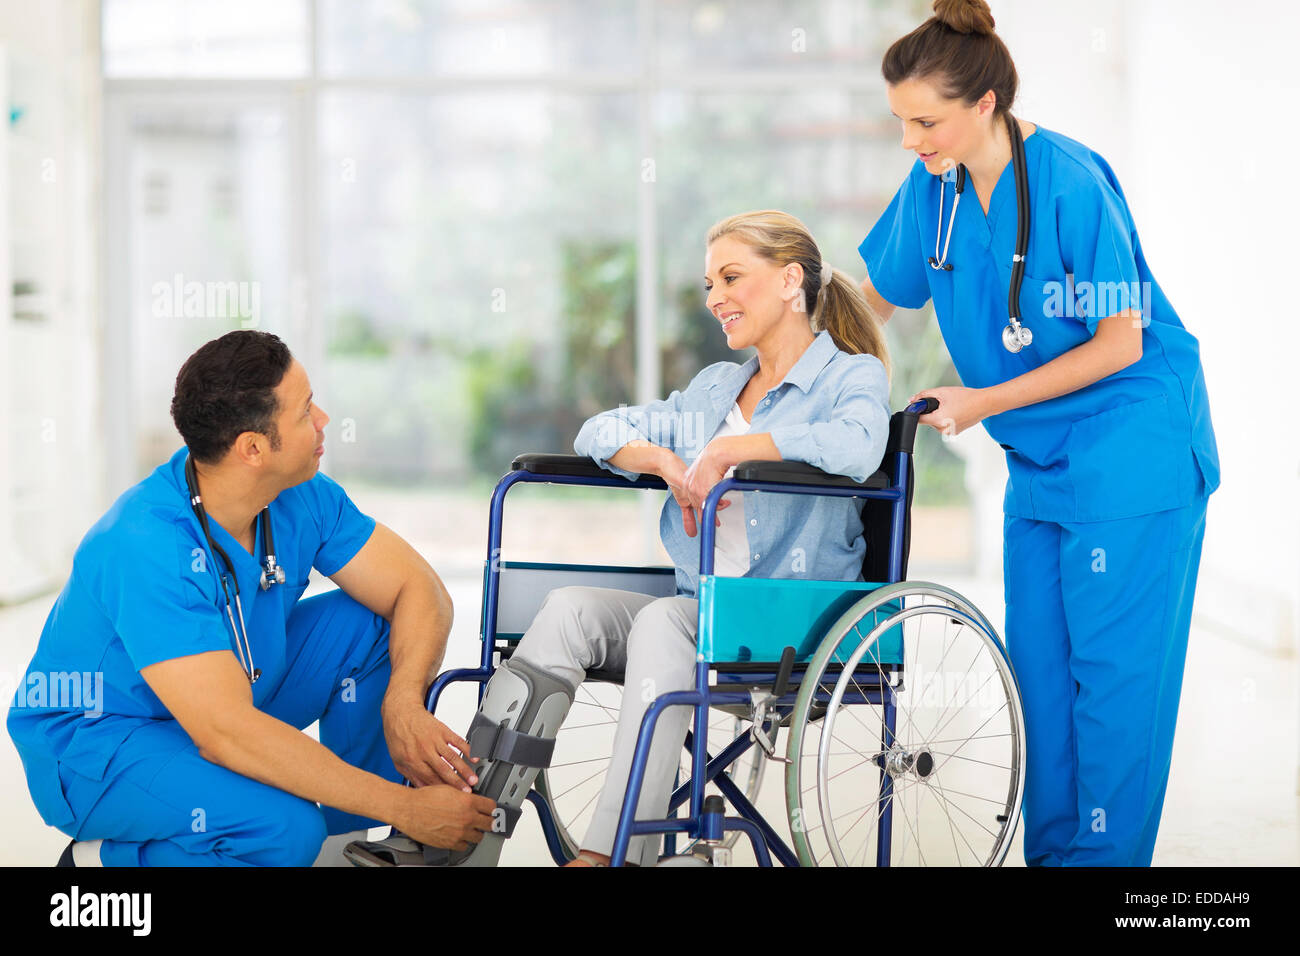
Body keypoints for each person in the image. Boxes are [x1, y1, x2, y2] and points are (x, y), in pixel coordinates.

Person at [351, 209, 893, 867]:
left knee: (665, 621)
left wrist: (733, 451)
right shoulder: (716, 388)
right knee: (570, 610)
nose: (714, 298)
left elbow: (861, 448)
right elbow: (599, 431)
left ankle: (610, 856)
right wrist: (664, 461)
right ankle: (464, 833)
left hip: (793, 620)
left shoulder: (849, 376)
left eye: (730, 277)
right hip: (704, 610)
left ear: (789, 281)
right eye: (707, 284)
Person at [857, 0, 1219, 866]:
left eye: (927, 121)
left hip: (1131, 452)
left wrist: (984, 401)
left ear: (984, 105)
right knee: (1042, 689)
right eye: (901, 121)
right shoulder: (934, 187)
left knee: (1113, 693)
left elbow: (1119, 340)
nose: (911, 140)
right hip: (1040, 461)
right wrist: (796, 331)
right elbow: (880, 296)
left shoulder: (1067, 182)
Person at [6, 330, 495, 866]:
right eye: (306, 412)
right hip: (104, 740)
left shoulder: (298, 492)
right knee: (283, 827)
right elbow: (225, 733)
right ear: (253, 448)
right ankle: (106, 864)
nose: (324, 419)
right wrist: (408, 805)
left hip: (228, 690)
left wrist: (402, 701)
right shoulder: (144, 544)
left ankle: (347, 851)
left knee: (369, 626)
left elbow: (417, 588)